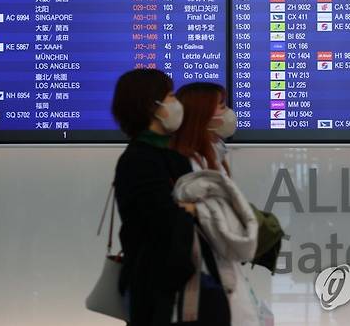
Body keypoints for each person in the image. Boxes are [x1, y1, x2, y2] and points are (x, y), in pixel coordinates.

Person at [110, 70, 229, 326]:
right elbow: (163, 219)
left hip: (181, 281)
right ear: (153, 106)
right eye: (171, 96)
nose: (177, 104)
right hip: (157, 287)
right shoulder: (139, 159)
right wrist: (198, 211)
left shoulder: (169, 154)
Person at [171, 82, 261, 326]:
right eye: (221, 105)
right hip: (204, 268)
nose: (228, 112)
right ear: (202, 114)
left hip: (219, 268)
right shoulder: (188, 163)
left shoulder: (212, 154)